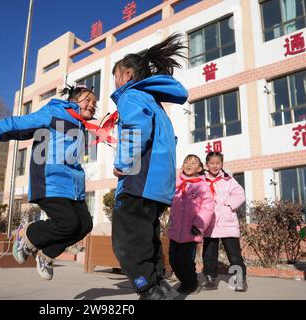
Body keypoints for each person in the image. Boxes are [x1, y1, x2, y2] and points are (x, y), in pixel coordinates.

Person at [0, 85, 98, 280]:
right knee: (69, 223)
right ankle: (27, 236)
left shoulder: (81, 126)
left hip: (73, 186)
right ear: (73, 100)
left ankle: (45, 255)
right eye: (88, 100)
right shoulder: (54, 113)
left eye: (94, 103)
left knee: (85, 225)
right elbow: (20, 124)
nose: (92, 105)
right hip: (51, 180)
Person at [110, 33, 189, 300]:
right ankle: (159, 285)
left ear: (129, 75)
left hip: (137, 182)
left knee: (127, 242)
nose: (116, 83)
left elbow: (134, 129)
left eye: (117, 76)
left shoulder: (130, 97)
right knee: (148, 238)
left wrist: (123, 162)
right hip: (157, 187)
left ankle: (147, 288)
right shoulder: (155, 104)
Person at [168, 154, 214, 295]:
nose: (188, 165)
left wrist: (199, 225)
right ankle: (185, 282)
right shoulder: (176, 182)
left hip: (190, 231)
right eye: (186, 162)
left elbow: (208, 206)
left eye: (193, 163)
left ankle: (192, 283)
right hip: (175, 230)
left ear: (199, 168)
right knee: (173, 260)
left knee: (186, 261)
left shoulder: (202, 185)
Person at [201, 151, 248, 291]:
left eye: (218, 163)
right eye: (212, 163)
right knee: (209, 254)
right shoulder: (202, 180)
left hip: (227, 222)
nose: (215, 166)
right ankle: (210, 280)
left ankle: (239, 280)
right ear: (206, 164)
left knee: (234, 255)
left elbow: (240, 194)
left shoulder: (228, 179)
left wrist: (228, 205)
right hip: (210, 223)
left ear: (222, 164)